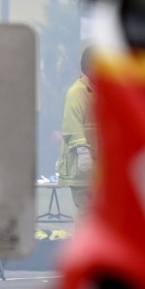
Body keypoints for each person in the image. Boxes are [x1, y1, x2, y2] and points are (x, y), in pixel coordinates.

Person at [57, 47, 96, 213]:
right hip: (81, 169)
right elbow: (71, 126)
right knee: (87, 214)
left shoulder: (96, 92)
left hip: (95, 169)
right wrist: (83, 153)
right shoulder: (78, 92)